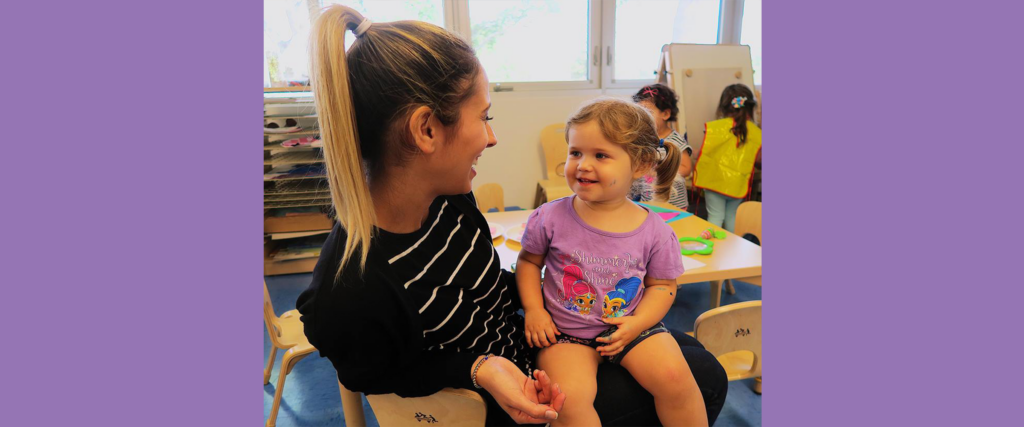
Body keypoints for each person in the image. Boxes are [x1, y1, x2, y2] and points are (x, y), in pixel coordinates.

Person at [295, 5, 727, 426]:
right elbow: (368, 374)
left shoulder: (448, 200)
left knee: (686, 360)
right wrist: (480, 368)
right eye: (484, 116)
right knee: (705, 377)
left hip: (525, 344)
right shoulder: (352, 290)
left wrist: (562, 292)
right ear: (426, 129)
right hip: (499, 404)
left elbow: (478, 291)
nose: (493, 137)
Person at [516, 98, 708, 426]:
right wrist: (534, 310)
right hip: (566, 333)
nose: (582, 165)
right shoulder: (549, 217)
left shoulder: (655, 231)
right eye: (575, 152)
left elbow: (663, 286)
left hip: (630, 327)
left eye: (600, 155)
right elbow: (528, 263)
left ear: (640, 165)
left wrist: (638, 323)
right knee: (567, 400)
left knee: (677, 379)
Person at [693, 84, 762, 232]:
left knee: (716, 216)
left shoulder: (715, 128)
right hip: (738, 184)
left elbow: (703, 154)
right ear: (750, 108)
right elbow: (757, 159)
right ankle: (733, 248)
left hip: (714, 182)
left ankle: (713, 248)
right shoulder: (756, 133)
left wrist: (692, 152)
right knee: (732, 216)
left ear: (723, 108)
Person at [632, 84, 694, 211]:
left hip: (673, 203)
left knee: (675, 230)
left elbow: (686, 168)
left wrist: (662, 170)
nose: (642, 117)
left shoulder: (675, 140)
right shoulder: (643, 139)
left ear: (665, 114)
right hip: (648, 200)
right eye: (639, 112)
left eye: (647, 112)